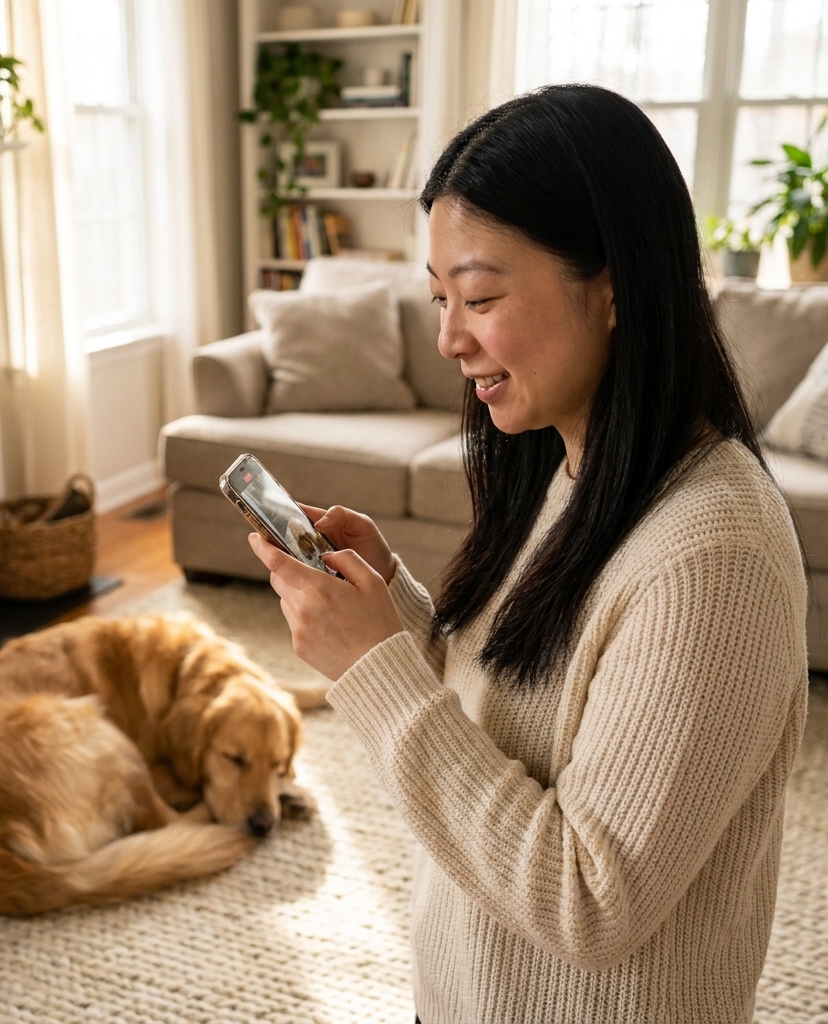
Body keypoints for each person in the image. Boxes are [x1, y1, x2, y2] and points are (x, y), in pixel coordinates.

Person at [248, 84, 808, 1024]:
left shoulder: (714, 557)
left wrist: (372, 668)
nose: (447, 338)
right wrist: (398, 609)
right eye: (438, 299)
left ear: (615, 284)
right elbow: (523, 721)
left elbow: (591, 902)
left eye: (479, 296)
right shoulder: (578, 469)